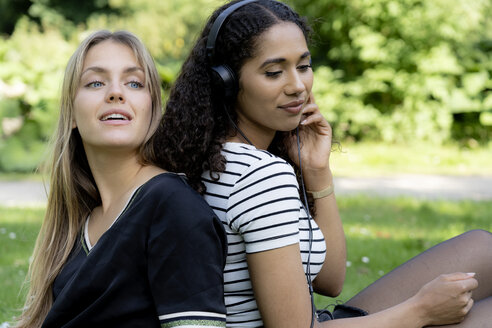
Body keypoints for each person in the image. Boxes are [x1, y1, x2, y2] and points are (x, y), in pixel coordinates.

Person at [154, 0, 492, 327]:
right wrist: (421, 311)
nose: (298, 86)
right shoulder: (259, 176)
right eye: (274, 72)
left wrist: (317, 171)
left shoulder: (203, 154)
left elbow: (330, 279)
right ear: (225, 82)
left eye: (303, 66)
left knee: (483, 245)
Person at [15, 30, 227, 328]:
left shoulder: (173, 206)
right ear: (72, 114)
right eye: (96, 82)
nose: (116, 93)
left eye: (134, 83)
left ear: (153, 109)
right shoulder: (82, 220)